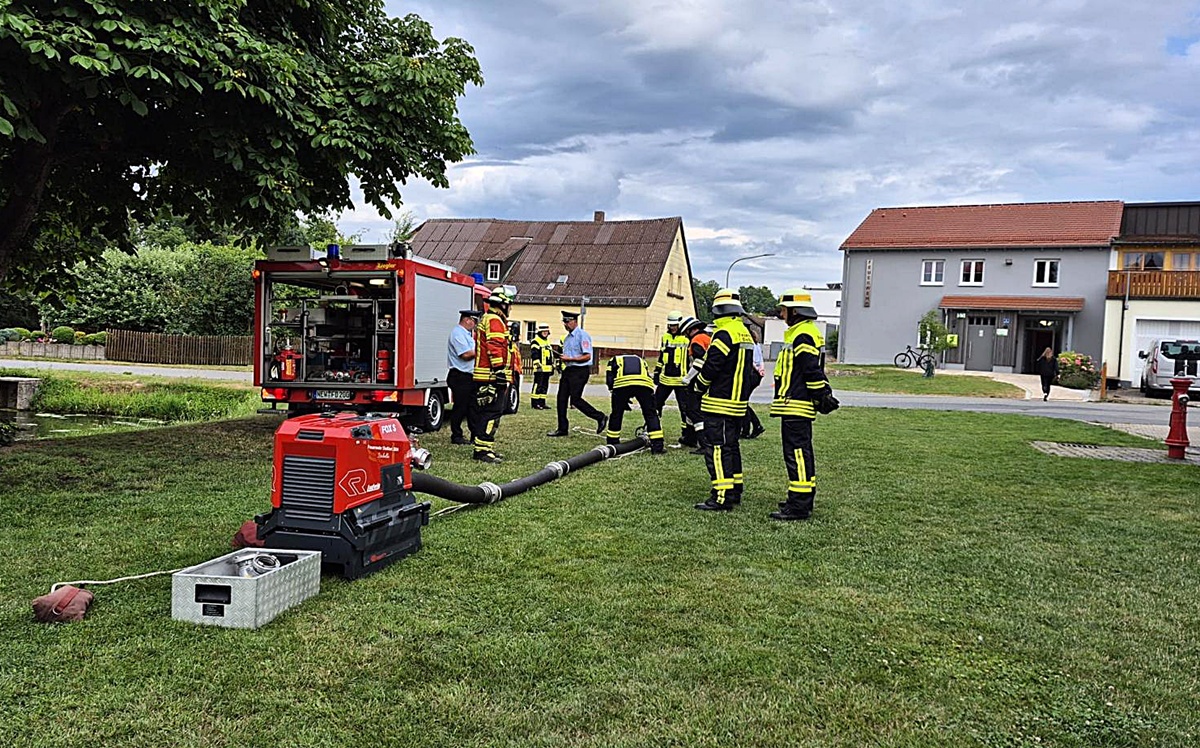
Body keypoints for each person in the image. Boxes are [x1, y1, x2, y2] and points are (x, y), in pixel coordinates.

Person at [768, 289, 838, 521]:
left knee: (797, 453)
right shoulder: (803, 332)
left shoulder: (803, 335)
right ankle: (800, 498)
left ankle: (799, 505)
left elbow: (810, 369)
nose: (781, 314)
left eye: (784, 309)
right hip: (796, 403)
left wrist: (821, 394)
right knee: (800, 453)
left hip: (796, 404)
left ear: (795, 311)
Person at [692, 289, 762, 511]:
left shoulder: (724, 334)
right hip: (737, 403)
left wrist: (699, 386)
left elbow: (713, 366)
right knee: (731, 447)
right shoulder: (743, 332)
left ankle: (721, 496)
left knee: (718, 449)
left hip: (719, 402)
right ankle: (734, 490)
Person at [547, 310, 607, 437]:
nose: (565, 324)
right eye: (564, 322)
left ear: (574, 321)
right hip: (568, 370)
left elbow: (587, 356)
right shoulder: (567, 339)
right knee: (561, 399)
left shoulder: (582, 336)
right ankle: (562, 428)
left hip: (580, 371)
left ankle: (600, 417)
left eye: (567, 322)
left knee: (576, 400)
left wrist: (570, 359)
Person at [471, 287, 514, 463]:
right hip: (491, 376)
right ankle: (482, 450)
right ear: (503, 304)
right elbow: (495, 347)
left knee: (487, 413)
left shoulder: (490, 318)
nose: (510, 309)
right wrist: (499, 372)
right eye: (509, 305)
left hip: (487, 375)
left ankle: (484, 447)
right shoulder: (495, 320)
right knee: (491, 413)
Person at [605, 353, 665, 453]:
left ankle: (613, 443)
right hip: (644, 385)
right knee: (651, 414)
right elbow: (646, 375)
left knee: (616, 414)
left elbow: (610, 379)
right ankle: (657, 446)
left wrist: (617, 397)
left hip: (622, 384)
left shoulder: (613, 360)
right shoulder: (641, 360)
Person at [446, 309, 480, 445]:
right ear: (467, 320)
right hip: (460, 376)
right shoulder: (457, 334)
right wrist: (480, 351)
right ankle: (456, 435)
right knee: (460, 407)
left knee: (472, 407)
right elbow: (465, 355)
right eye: (474, 321)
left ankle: (475, 434)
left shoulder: (466, 334)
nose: (475, 324)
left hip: (468, 376)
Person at [677, 315, 710, 450]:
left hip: (697, 381)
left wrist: (687, 378)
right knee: (691, 409)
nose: (685, 336)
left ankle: (704, 443)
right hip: (706, 380)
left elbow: (699, 362)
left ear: (691, 330)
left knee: (693, 411)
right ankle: (690, 438)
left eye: (685, 333)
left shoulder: (696, 340)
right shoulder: (707, 338)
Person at [653, 310, 688, 419]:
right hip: (666, 379)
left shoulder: (687, 338)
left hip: (681, 380)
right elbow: (662, 356)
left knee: (684, 408)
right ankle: (652, 428)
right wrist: (657, 372)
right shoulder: (665, 337)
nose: (672, 327)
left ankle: (686, 433)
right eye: (670, 325)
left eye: (675, 325)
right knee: (655, 404)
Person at [740, 337, 767, 439]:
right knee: (744, 402)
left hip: (751, 373)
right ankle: (755, 426)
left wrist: (756, 369)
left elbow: (749, 360)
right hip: (757, 374)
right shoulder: (757, 344)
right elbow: (760, 359)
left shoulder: (748, 344)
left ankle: (748, 429)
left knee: (743, 402)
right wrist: (761, 370)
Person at [529, 323, 554, 409]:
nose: (545, 333)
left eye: (546, 332)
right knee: (538, 385)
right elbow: (534, 354)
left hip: (547, 369)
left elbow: (550, 355)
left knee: (544, 386)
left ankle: (542, 403)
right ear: (539, 332)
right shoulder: (536, 341)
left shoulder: (547, 342)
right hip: (540, 368)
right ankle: (535, 403)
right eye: (543, 332)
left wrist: (552, 366)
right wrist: (538, 365)